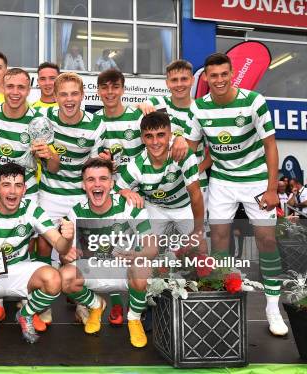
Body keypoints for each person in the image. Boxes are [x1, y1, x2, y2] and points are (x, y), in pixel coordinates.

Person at [187, 52, 288, 337]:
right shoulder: (199, 108)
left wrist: (271, 188)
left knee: (267, 239)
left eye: (223, 74)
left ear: (232, 74)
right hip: (222, 181)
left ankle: (272, 308)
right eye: (213, 75)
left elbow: (270, 145)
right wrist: (185, 176)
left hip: (256, 181)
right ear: (206, 78)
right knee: (218, 238)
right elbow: (193, 148)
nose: (218, 80)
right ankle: (222, 301)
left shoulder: (255, 101)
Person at [0, 68, 60, 329]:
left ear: (29, 88)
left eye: (21, 87)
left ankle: (30, 302)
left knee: (31, 242)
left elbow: (54, 167)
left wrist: (48, 154)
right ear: (2, 85)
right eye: (9, 86)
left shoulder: (39, 119)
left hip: (29, 192)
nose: (14, 92)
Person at [0, 163, 74, 344]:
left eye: (18, 185)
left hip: (21, 269)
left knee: (54, 279)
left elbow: (60, 247)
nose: (12, 191)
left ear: (24, 189)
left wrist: (67, 238)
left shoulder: (32, 209)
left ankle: (25, 315)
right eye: (6, 185)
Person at [61, 158, 157, 347]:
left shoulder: (129, 206)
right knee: (65, 276)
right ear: (83, 185)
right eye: (91, 180)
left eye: (103, 179)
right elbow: (65, 255)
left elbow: (152, 247)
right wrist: (68, 254)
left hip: (124, 271)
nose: (97, 184)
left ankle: (134, 318)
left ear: (111, 183)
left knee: (143, 266)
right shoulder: (75, 213)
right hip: (95, 270)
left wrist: (137, 256)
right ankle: (97, 305)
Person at [35, 72, 105, 325]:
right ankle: (43, 304)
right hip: (50, 192)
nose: (69, 99)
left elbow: (94, 167)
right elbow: (52, 168)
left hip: (79, 195)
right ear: (54, 96)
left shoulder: (95, 125)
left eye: (74, 93)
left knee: (77, 252)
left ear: (82, 96)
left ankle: (82, 302)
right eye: (63, 94)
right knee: (44, 244)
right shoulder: (44, 120)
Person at [136, 60, 211, 216]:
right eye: (174, 80)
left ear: (192, 80)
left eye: (184, 79)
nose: (179, 84)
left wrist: (197, 170)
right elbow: (139, 111)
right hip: (163, 186)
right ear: (167, 83)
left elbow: (215, 151)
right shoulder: (157, 104)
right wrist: (141, 106)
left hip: (195, 184)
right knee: (158, 238)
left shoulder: (203, 111)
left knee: (193, 237)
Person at [117, 112, 205, 243]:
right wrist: (126, 191)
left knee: (198, 247)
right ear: (142, 138)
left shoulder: (183, 155)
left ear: (170, 135)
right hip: (155, 208)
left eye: (161, 135)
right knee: (150, 250)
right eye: (149, 136)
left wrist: (198, 231)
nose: (155, 142)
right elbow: (117, 188)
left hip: (183, 207)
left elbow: (196, 195)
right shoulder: (136, 166)